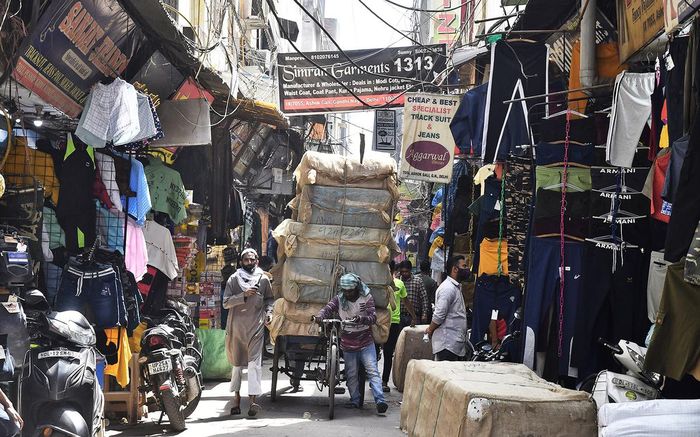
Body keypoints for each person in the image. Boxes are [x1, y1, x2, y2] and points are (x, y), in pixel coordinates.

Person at [316, 273, 388, 414]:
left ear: (356, 288)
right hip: (348, 343)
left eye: (350, 290)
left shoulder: (366, 298)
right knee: (351, 373)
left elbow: (373, 317)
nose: (348, 293)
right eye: (345, 291)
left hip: (366, 341)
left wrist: (361, 319)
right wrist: (320, 316)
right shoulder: (339, 299)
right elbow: (328, 308)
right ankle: (354, 400)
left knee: (372, 370)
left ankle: (380, 400)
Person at [223, 248, 274, 417]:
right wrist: (243, 295)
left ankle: (252, 402)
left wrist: (269, 313)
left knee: (254, 365)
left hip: (256, 327)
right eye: (246, 260)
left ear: (257, 261)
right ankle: (236, 401)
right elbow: (225, 303)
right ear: (241, 262)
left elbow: (269, 300)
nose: (250, 263)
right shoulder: (233, 279)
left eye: (253, 260)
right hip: (237, 328)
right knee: (237, 366)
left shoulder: (264, 279)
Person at [382, 260, 418, 393]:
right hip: (387, 322)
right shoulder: (393, 283)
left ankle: (381, 380)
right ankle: (382, 381)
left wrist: (413, 316)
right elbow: (406, 302)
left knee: (381, 352)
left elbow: (406, 302)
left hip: (385, 322)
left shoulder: (392, 284)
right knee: (384, 352)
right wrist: (414, 316)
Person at [425, 255, 469, 361]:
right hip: (447, 344)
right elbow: (439, 315)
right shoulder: (447, 289)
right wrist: (430, 329)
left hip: (453, 344)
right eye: (464, 266)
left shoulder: (455, 287)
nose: (467, 269)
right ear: (455, 269)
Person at [398, 260, 430, 325]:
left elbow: (424, 299)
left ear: (410, 270)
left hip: (413, 316)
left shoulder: (418, 281)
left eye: (406, 271)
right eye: (402, 272)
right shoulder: (397, 281)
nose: (404, 273)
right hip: (399, 316)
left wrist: (424, 314)